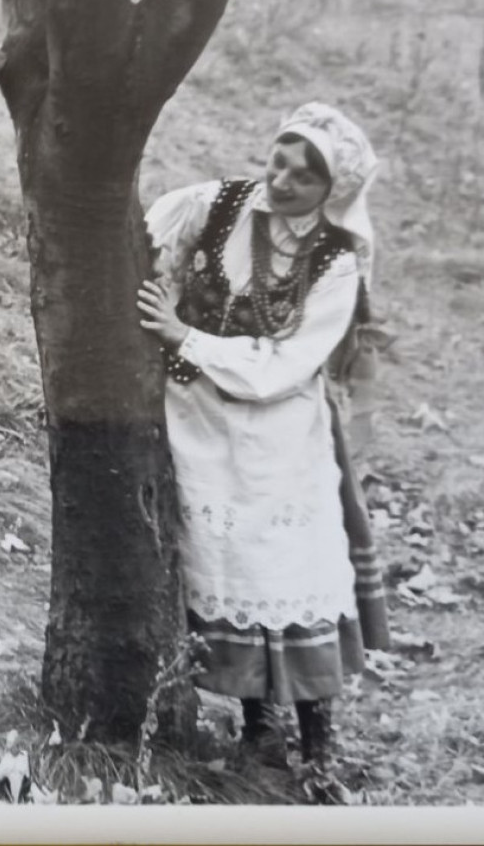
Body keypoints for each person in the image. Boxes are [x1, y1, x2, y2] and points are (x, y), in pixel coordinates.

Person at [136, 102, 389, 767]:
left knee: (287, 567)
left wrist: (183, 334)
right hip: (194, 413)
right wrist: (159, 296)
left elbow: (287, 363)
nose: (280, 180)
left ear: (330, 191)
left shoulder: (336, 261)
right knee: (220, 561)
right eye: (279, 159)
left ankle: (316, 737)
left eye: (303, 176)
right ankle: (256, 721)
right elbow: (140, 240)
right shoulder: (216, 205)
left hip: (280, 427)